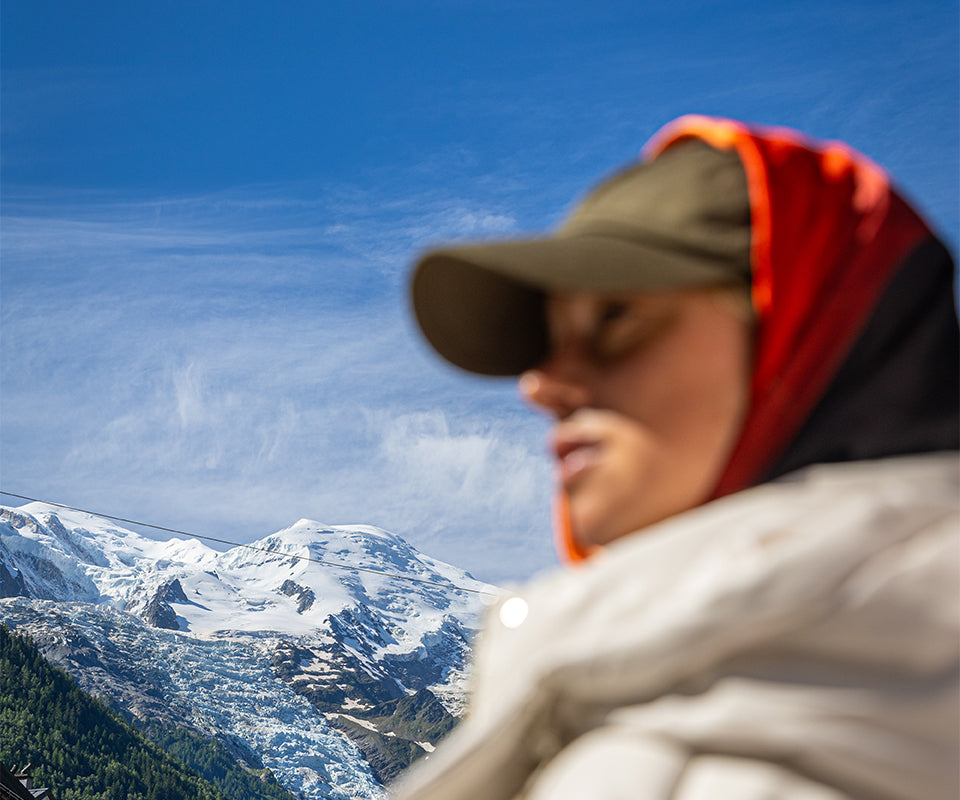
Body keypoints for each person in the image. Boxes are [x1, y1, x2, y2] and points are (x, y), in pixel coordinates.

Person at [393, 115, 959, 800]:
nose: (540, 386)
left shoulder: (699, 773)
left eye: (615, 318)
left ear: (808, 330)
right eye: (549, 338)